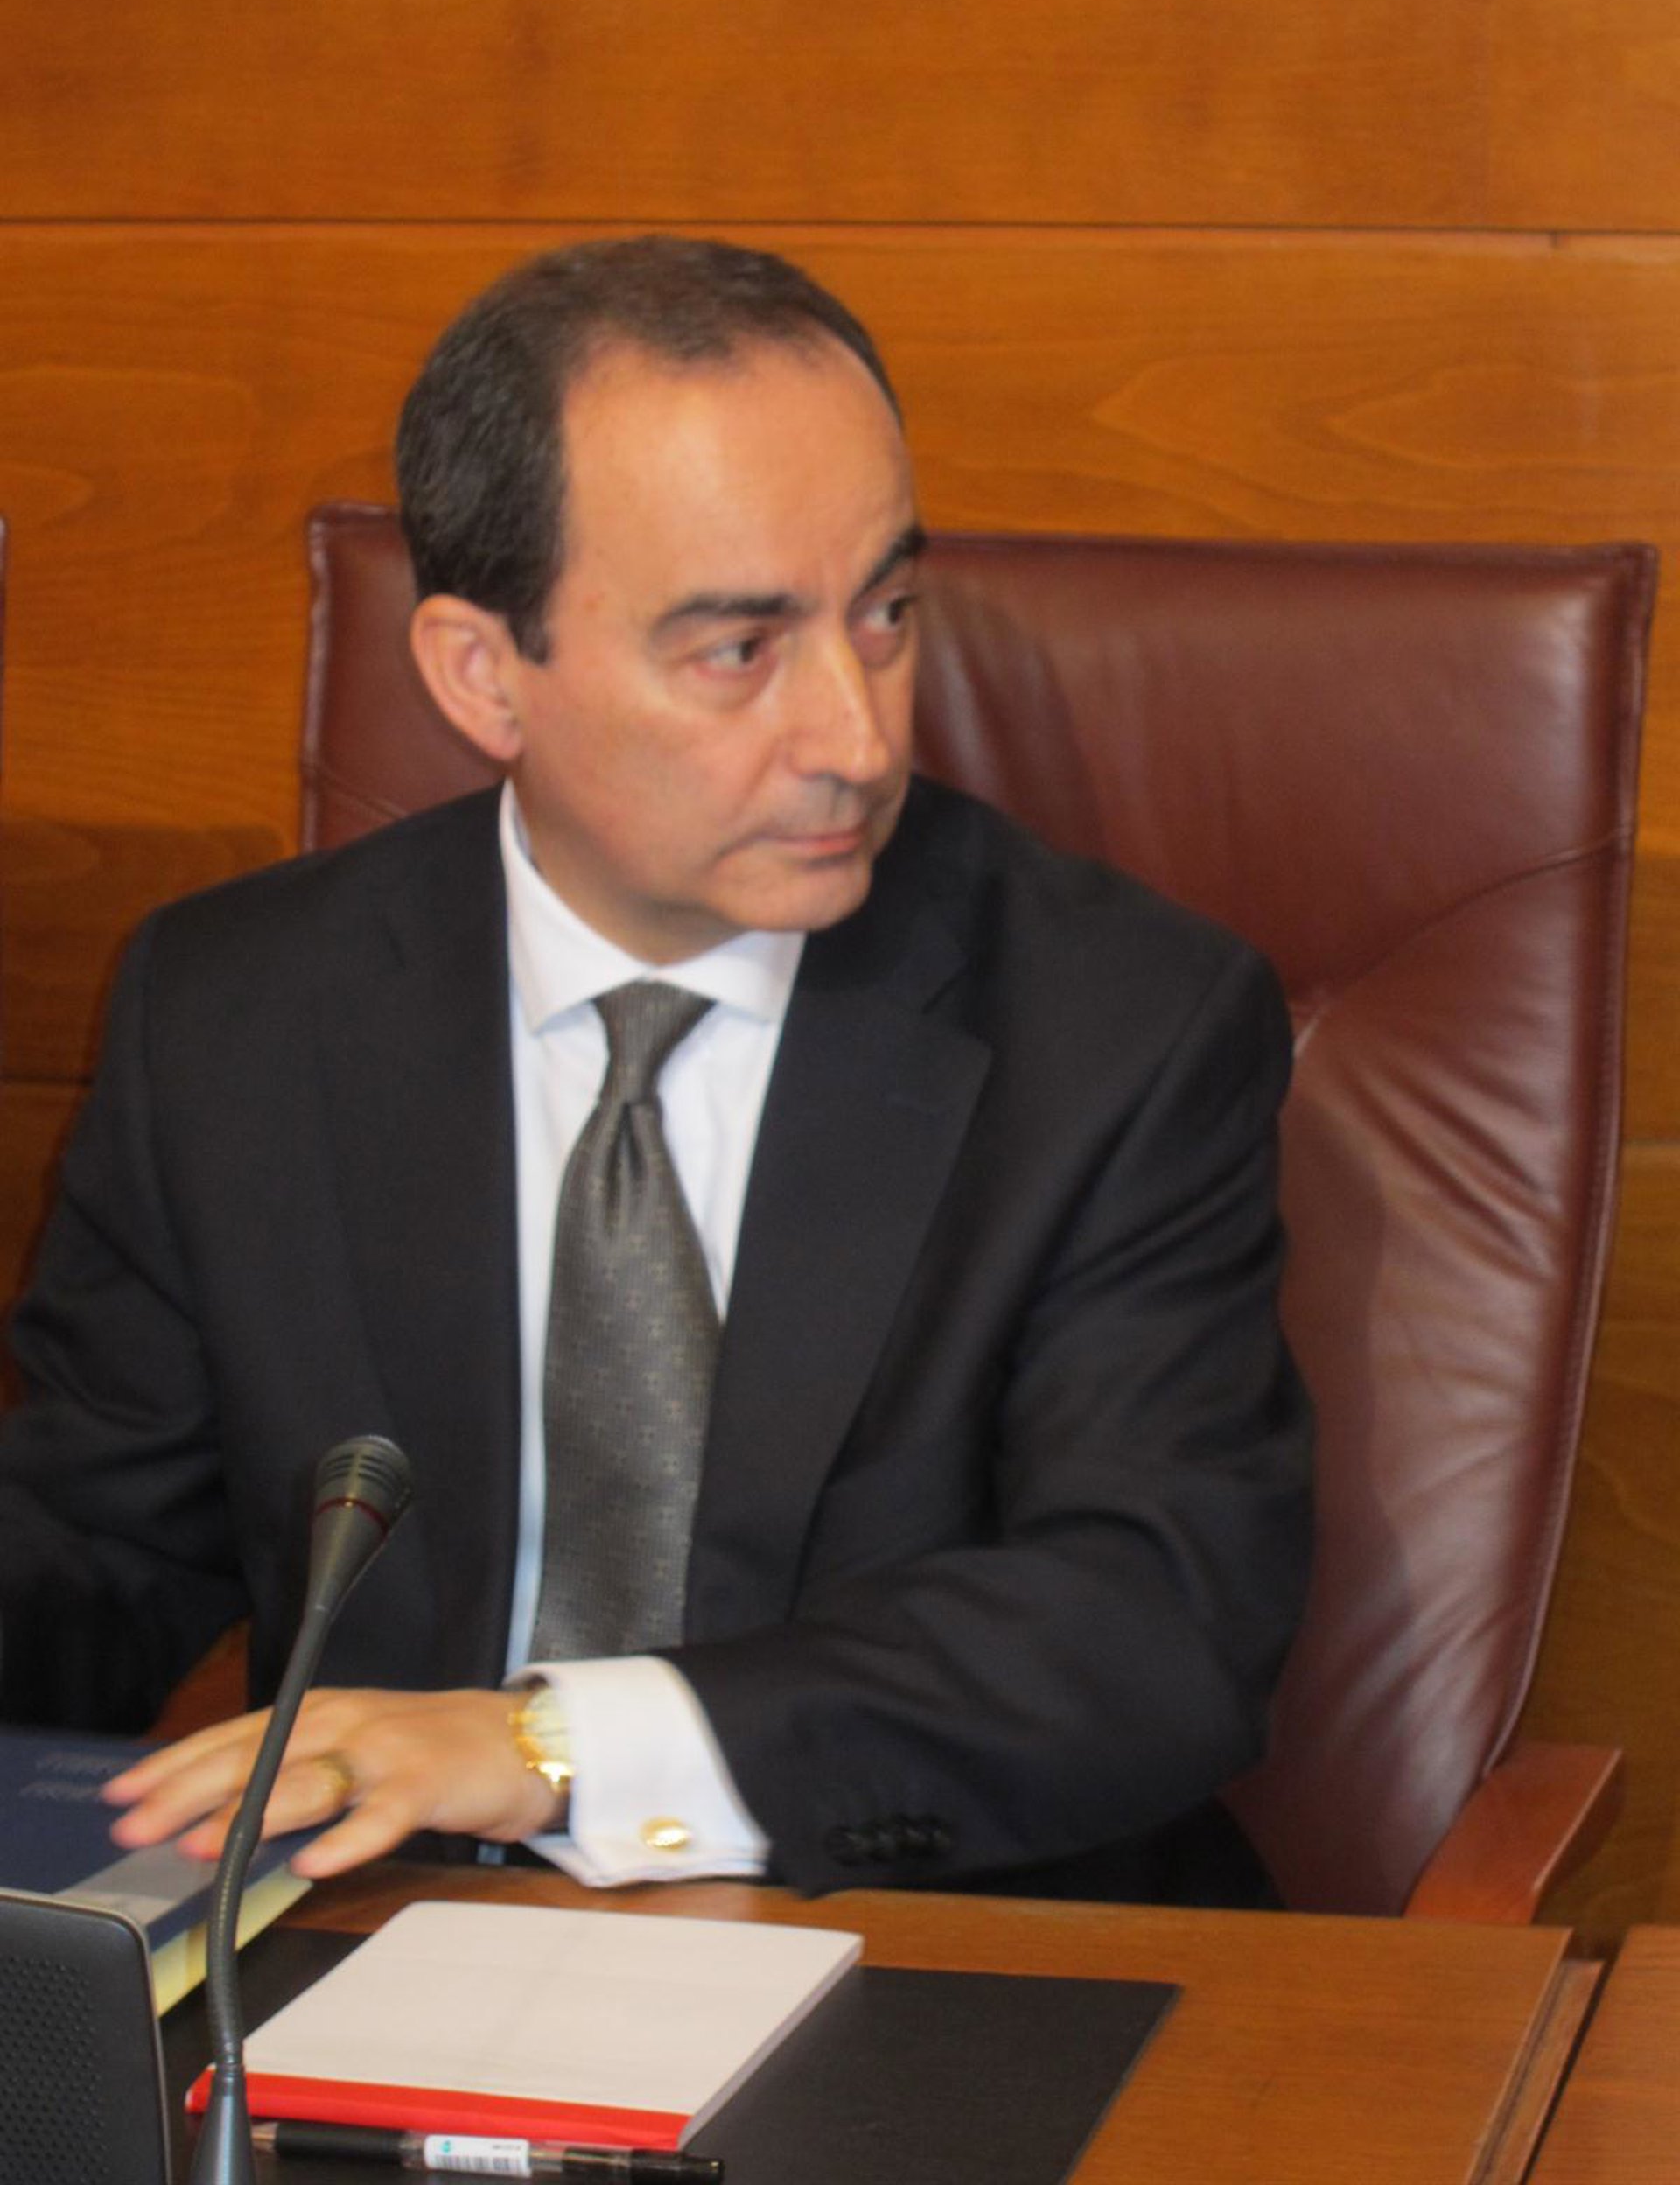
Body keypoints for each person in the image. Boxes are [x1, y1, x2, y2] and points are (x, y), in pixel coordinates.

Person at [0, 237, 1312, 1905]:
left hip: (925, 1954)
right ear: (483, 674)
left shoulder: (1120, 1026)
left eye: (887, 614)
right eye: (738, 650)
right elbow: (98, 1545)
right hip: (388, 1942)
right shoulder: (234, 1010)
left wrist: (553, 1745)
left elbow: (1150, 1625)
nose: (857, 738)